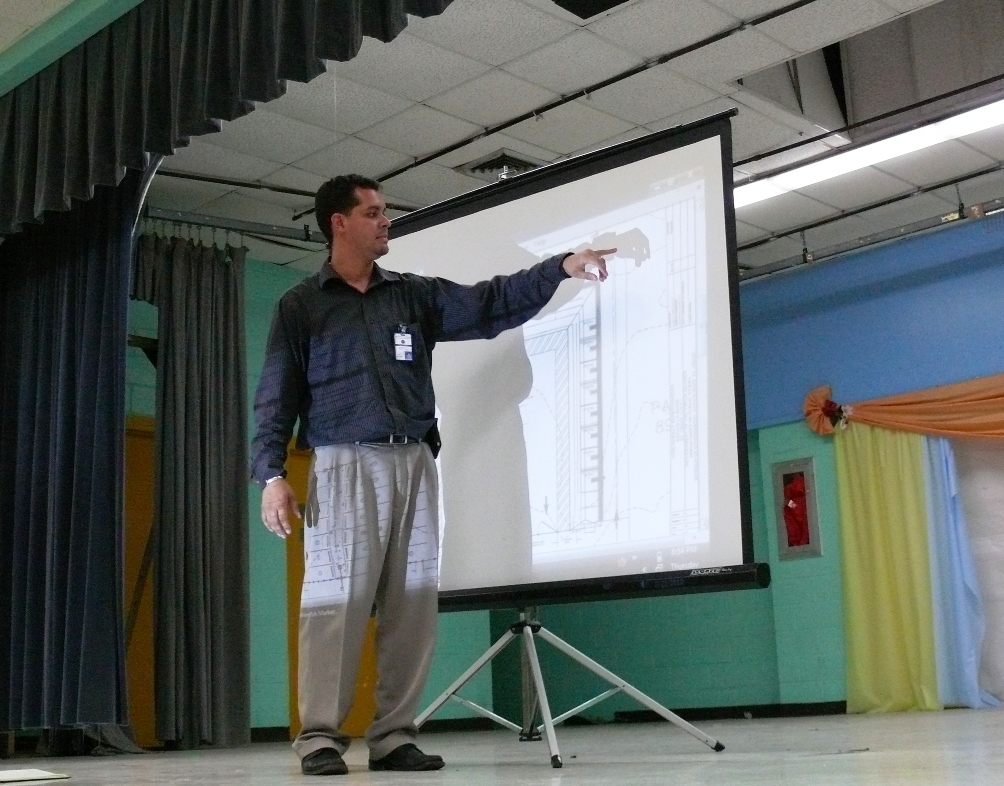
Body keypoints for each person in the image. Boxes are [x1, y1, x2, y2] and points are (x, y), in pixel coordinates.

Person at [250, 174, 614, 776]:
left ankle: (393, 736)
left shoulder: (412, 295)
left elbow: (489, 303)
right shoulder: (301, 305)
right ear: (338, 223)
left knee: (411, 607)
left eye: (384, 211)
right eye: (373, 212)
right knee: (334, 605)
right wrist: (270, 474)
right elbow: (275, 397)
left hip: (415, 461)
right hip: (343, 466)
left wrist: (559, 267)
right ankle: (319, 737)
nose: (385, 220)